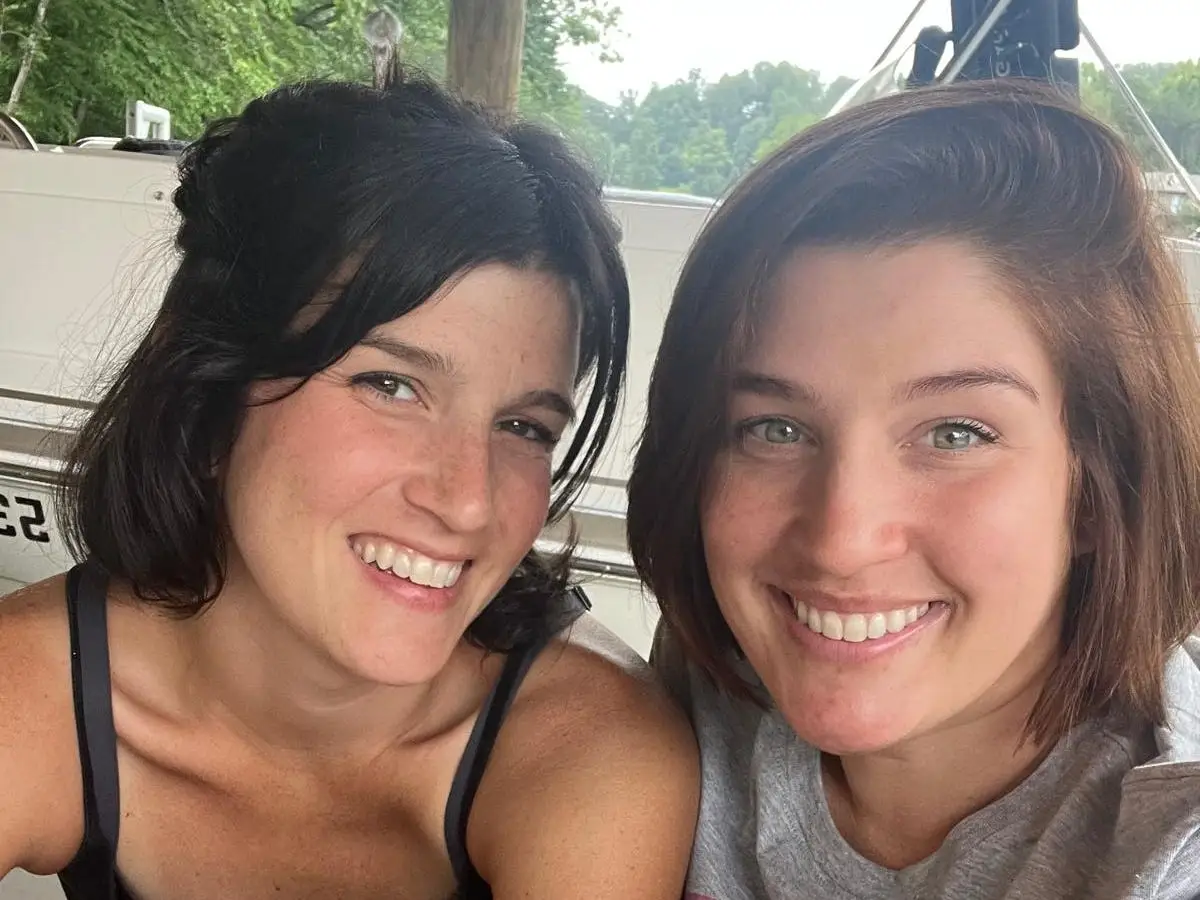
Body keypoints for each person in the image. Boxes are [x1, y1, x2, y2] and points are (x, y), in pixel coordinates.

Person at [0, 66, 698, 900]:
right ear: (208, 392)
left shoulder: (589, 750)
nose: (469, 501)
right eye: (390, 385)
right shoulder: (33, 691)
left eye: (524, 427)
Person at [628, 77, 1200, 900]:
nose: (840, 542)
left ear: (1099, 487)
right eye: (775, 429)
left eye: (955, 434)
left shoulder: (1168, 845)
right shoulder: (695, 697)